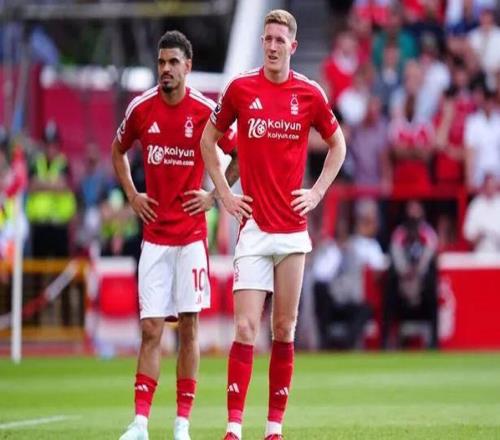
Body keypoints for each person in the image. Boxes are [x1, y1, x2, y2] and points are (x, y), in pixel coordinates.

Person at [201, 10, 346, 440]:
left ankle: (274, 429)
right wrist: (223, 195)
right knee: (245, 328)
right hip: (253, 229)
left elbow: (337, 145)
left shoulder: (309, 93)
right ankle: (233, 428)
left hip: (292, 232)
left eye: (280, 40)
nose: (272, 45)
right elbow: (209, 141)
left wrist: (316, 193)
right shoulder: (241, 89)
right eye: (267, 38)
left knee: (283, 329)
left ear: (293, 46)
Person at [113, 30, 238, 440]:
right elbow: (118, 151)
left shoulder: (204, 110)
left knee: (188, 327)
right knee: (151, 329)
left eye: (173, 62)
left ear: (188, 66)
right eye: (161, 62)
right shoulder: (141, 108)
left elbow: (238, 153)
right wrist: (133, 195)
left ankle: (182, 424)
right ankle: (140, 423)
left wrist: (214, 195)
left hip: (191, 240)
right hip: (154, 238)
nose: (165, 69)